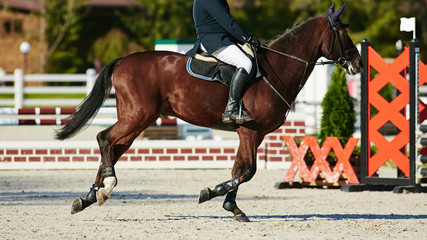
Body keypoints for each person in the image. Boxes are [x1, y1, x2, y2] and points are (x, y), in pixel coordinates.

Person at [187, 0, 260, 123]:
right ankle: (231, 109)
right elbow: (228, 23)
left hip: (222, 39)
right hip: (213, 41)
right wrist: (247, 38)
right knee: (245, 63)